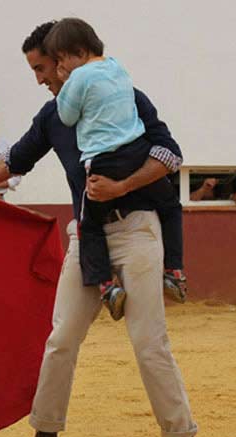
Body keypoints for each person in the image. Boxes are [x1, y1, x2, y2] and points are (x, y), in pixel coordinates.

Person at [0, 21, 197, 437]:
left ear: (68, 61)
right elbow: (16, 159)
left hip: (136, 230)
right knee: (61, 337)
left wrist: (122, 186)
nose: (40, 78)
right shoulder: (53, 118)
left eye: (43, 67)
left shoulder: (126, 97)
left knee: (149, 341)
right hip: (87, 236)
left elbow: (170, 155)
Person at [44, 18, 186, 317]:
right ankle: (174, 270)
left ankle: (107, 287)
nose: (60, 66)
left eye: (61, 59)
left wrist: (67, 82)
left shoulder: (79, 77)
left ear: (78, 52)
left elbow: (67, 116)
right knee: (171, 205)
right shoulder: (118, 67)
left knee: (89, 226)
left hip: (103, 160)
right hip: (136, 151)